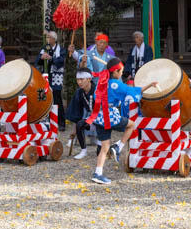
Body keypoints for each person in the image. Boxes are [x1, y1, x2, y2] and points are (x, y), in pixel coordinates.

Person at [88, 57, 158, 185]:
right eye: (120, 72)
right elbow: (133, 91)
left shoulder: (101, 82)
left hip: (99, 115)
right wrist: (150, 85)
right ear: (115, 73)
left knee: (104, 147)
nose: (121, 74)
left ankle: (98, 173)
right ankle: (119, 147)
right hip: (109, 115)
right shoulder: (116, 84)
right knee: (132, 125)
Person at [36, 30, 66, 128]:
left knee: (57, 98)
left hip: (56, 76)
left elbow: (61, 61)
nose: (47, 39)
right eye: (47, 37)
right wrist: (42, 57)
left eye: (49, 37)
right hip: (45, 75)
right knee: (43, 97)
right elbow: (37, 61)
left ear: (53, 39)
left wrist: (51, 58)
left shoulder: (60, 49)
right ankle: (43, 120)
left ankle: (61, 122)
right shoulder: (45, 48)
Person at [65, 71, 98, 159]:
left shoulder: (98, 90)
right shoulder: (79, 92)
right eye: (78, 80)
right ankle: (84, 150)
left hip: (104, 117)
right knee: (80, 124)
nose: (79, 82)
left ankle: (102, 145)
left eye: (81, 79)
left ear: (89, 79)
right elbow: (76, 111)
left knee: (100, 151)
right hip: (92, 118)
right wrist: (74, 130)